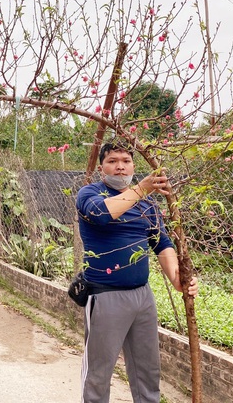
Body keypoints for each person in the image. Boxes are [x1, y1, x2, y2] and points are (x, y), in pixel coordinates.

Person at [75, 141, 198, 403]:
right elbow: (101, 214)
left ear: (133, 165)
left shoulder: (148, 205)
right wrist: (142, 188)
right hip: (106, 296)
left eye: (126, 160)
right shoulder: (90, 193)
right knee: (99, 372)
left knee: (147, 370)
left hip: (143, 297)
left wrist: (177, 279)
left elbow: (161, 243)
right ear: (101, 168)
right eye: (112, 161)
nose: (120, 166)